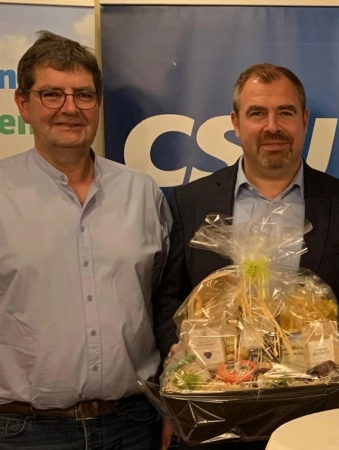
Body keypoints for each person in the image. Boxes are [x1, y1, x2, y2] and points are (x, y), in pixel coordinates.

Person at [152, 63, 339, 449]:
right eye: (257, 113)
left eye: (285, 112)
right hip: (215, 414)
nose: (272, 127)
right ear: (235, 122)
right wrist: (178, 358)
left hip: (319, 415)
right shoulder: (191, 202)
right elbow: (169, 298)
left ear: (304, 120)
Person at [0, 31, 170, 449]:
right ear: (23, 104)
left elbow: (164, 300)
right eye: (52, 94)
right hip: (26, 432)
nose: (70, 108)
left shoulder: (142, 193)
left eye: (84, 95)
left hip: (134, 424)